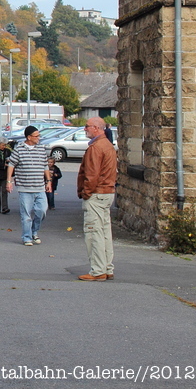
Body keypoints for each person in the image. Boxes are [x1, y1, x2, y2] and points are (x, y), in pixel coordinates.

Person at [76, 117, 117, 281]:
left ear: (96, 128)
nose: (85, 129)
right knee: (105, 232)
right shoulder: (108, 145)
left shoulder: (96, 147)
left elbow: (91, 175)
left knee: (94, 232)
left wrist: (86, 192)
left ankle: (98, 270)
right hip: (107, 192)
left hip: (97, 193)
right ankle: (107, 267)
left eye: (87, 126)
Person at [6, 126, 52, 246]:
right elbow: (11, 164)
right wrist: (9, 181)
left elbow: (45, 166)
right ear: (29, 137)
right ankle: (27, 237)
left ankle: (34, 231)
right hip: (25, 188)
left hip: (40, 187)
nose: (39, 138)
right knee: (26, 215)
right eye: (36, 136)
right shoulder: (19, 149)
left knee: (42, 211)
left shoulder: (41, 149)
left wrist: (49, 181)